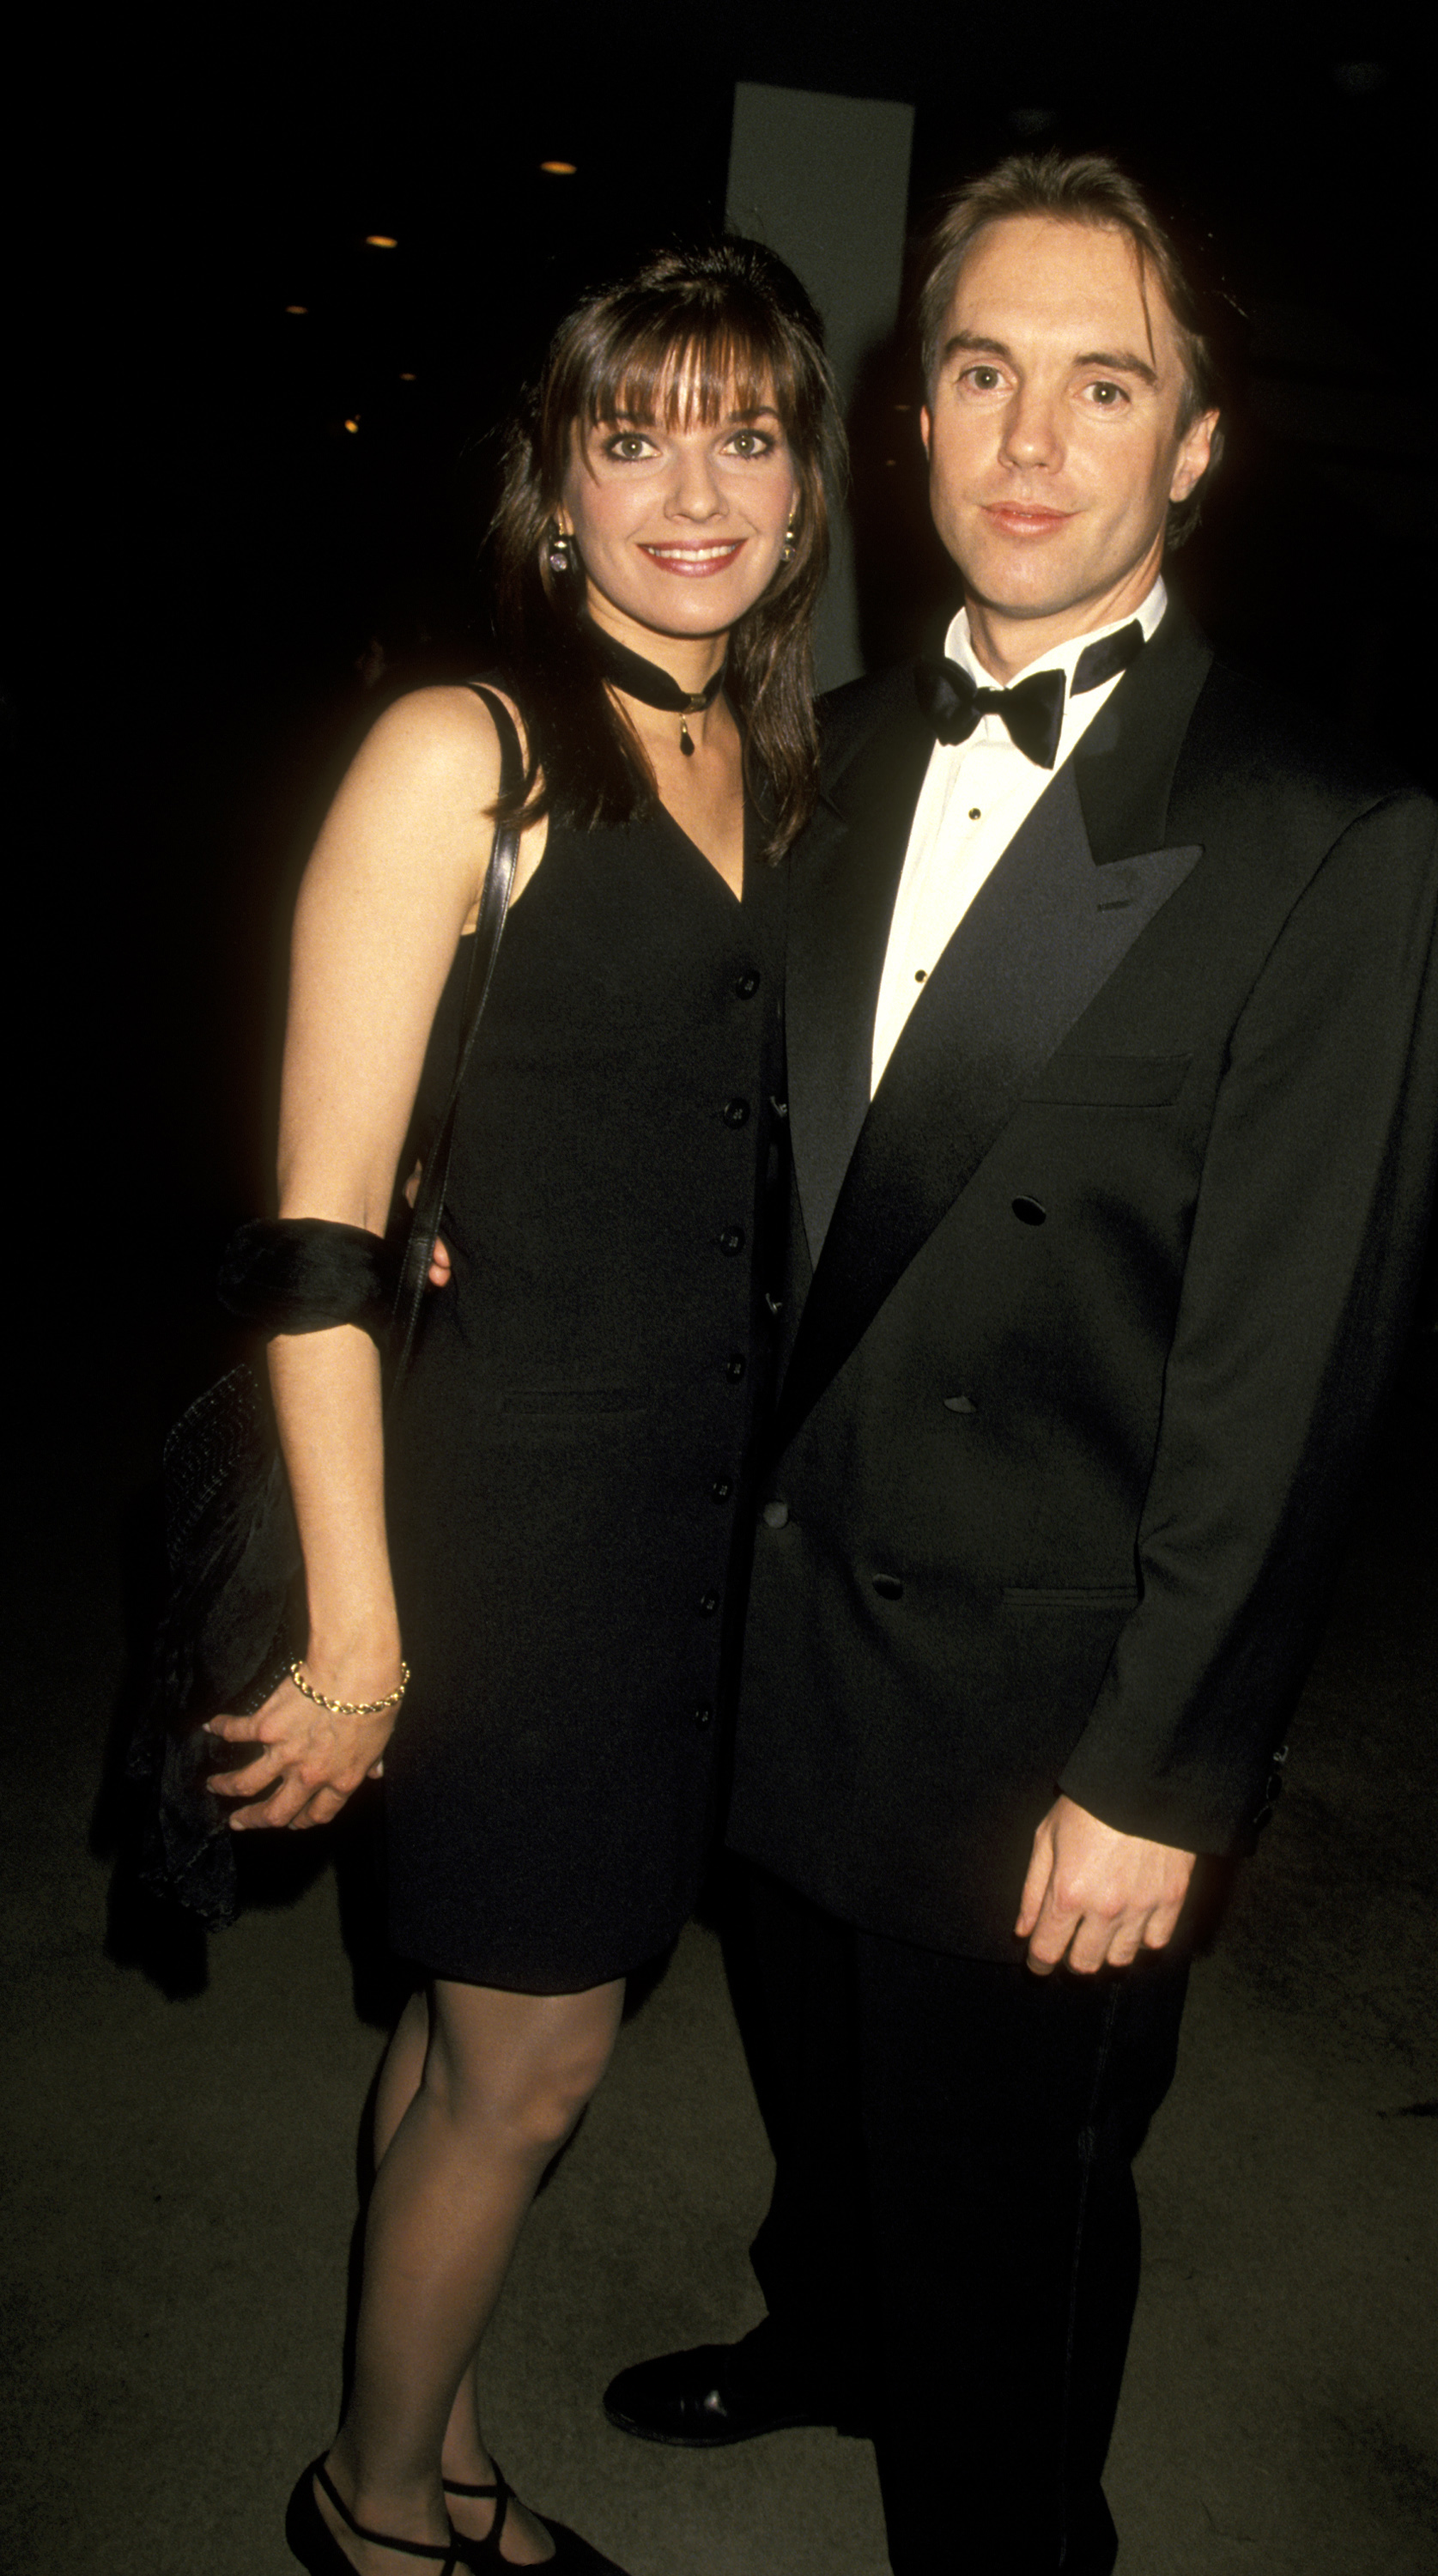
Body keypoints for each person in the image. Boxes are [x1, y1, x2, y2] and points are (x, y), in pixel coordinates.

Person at [599, 155, 1438, 2574]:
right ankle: (824, 2329)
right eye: (980, 369)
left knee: (1007, 2210)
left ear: (1195, 445)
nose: (1028, 440)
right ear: (912, 408)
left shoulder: (1326, 834)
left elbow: (1296, 1368)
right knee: (820, 2087)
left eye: (1107, 384)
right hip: (768, 1626)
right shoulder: (818, 746)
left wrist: (1163, 1772)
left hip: (1035, 1702)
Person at [201, 237, 842, 2576]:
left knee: (469, 2039)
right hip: (505, 1511)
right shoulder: (457, 745)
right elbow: (316, 1238)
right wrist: (363, 1634)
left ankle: (432, 2437)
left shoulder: (772, 750)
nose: (695, 482)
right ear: (552, 481)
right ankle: (374, 2519)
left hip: (683, 1505)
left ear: (801, 488)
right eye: (634, 427)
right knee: (536, 2059)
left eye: (746, 432)